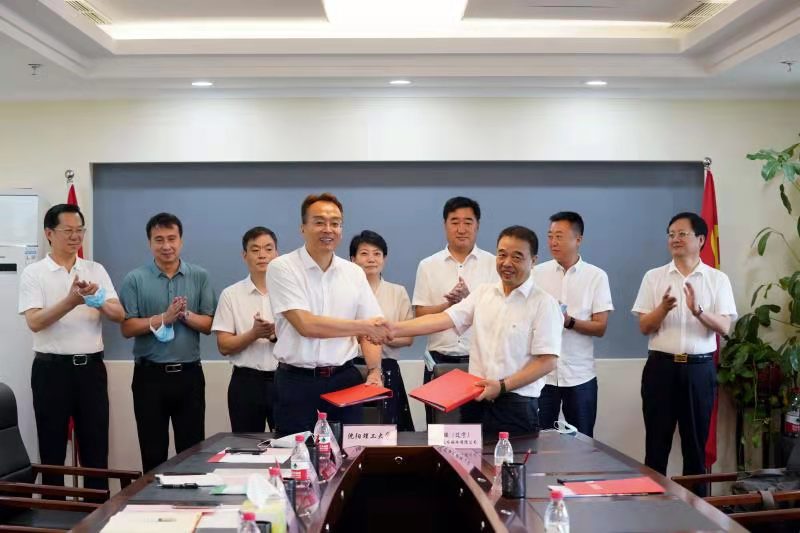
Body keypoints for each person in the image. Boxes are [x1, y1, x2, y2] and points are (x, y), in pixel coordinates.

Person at [392, 225, 561, 437]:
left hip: (516, 404)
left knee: (512, 458)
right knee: (470, 457)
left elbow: (547, 361)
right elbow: (443, 319)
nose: (507, 263)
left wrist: (502, 386)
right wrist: (393, 329)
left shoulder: (544, 303)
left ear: (533, 260)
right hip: (475, 398)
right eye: (502, 255)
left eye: (517, 257)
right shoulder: (483, 293)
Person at [18, 204, 124, 491]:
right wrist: (70, 301)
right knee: (52, 448)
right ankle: (54, 512)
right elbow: (35, 322)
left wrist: (97, 300)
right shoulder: (34, 273)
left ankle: (97, 511)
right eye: (68, 231)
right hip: (51, 371)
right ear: (49, 233)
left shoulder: (95, 269)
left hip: (91, 370)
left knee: (96, 449)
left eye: (80, 230)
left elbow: (119, 314)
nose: (75, 236)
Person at [267, 193, 388, 436]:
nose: (328, 229)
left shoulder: (353, 272)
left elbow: (373, 329)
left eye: (335, 223)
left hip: (344, 379)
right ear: (303, 227)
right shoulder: (282, 267)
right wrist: (363, 326)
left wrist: (374, 370)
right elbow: (307, 325)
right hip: (297, 382)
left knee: (349, 452)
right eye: (319, 222)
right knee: (296, 454)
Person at [633, 212, 736, 491]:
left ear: (700, 239)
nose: (675, 239)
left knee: (695, 449)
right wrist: (663, 308)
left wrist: (698, 311)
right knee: (656, 446)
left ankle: (697, 511)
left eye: (682, 234)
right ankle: (654, 508)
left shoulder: (717, 279)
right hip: (661, 369)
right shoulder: (654, 277)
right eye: (671, 234)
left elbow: (725, 327)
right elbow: (644, 326)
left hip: (698, 371)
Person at [119, 213, 217, 473]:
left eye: (172, 239)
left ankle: (191, 498)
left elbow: (209, 325)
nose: (166, 246)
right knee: (153, 454)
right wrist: (164, 318)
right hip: (149, 377)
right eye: (159, 240)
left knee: (192, 452)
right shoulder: (135, 279)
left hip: (189, 375)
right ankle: (153, 499)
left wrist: (183, 315)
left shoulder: (200, 276)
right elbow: (127, 328)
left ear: (181, 241)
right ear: (149, 243)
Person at [412, 196, 498, 423]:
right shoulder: (428, 265)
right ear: (445, 225)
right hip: (438, 361)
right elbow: (420, 315)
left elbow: (500, 315)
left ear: (477, 225)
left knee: (479, 430)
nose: (461, 229)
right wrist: (448, 306)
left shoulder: (494, 264)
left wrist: (470, 301)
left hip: (478, 362)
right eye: (455, 222)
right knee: (438, 430)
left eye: (468, 222)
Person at [534, 211, 613, 437]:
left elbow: (600, 327)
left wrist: (569, 322)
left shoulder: (596, 276)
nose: (552, 242)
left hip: (580, 376)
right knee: (538, 440)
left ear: (578, 239)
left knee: (582, 441)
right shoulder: (536, 274)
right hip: (542, 376)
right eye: (550, 236)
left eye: (559, 236)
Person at [213, 227, 279, 433]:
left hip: (285, 379)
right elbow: (224, 346)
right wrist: (254, 334)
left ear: (277, 254)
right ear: (244, 255)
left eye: (268, 249)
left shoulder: (290, 292)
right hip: (246, 383)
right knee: (245, 444)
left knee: (289, 442)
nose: (262, 255)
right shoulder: (230, 294)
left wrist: (275, 334)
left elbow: (304, 335)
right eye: (255, 250)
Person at [350, 230, 415, 431]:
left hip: (387, 368)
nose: (371, 259)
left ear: (384, 259)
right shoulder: (344, 291)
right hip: (351, 369)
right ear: (352, 259)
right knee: (354, 428)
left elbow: (408, 338)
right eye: (364, 253)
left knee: (390, 428)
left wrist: (377, 336)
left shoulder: (397, 292)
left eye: (377, 254)